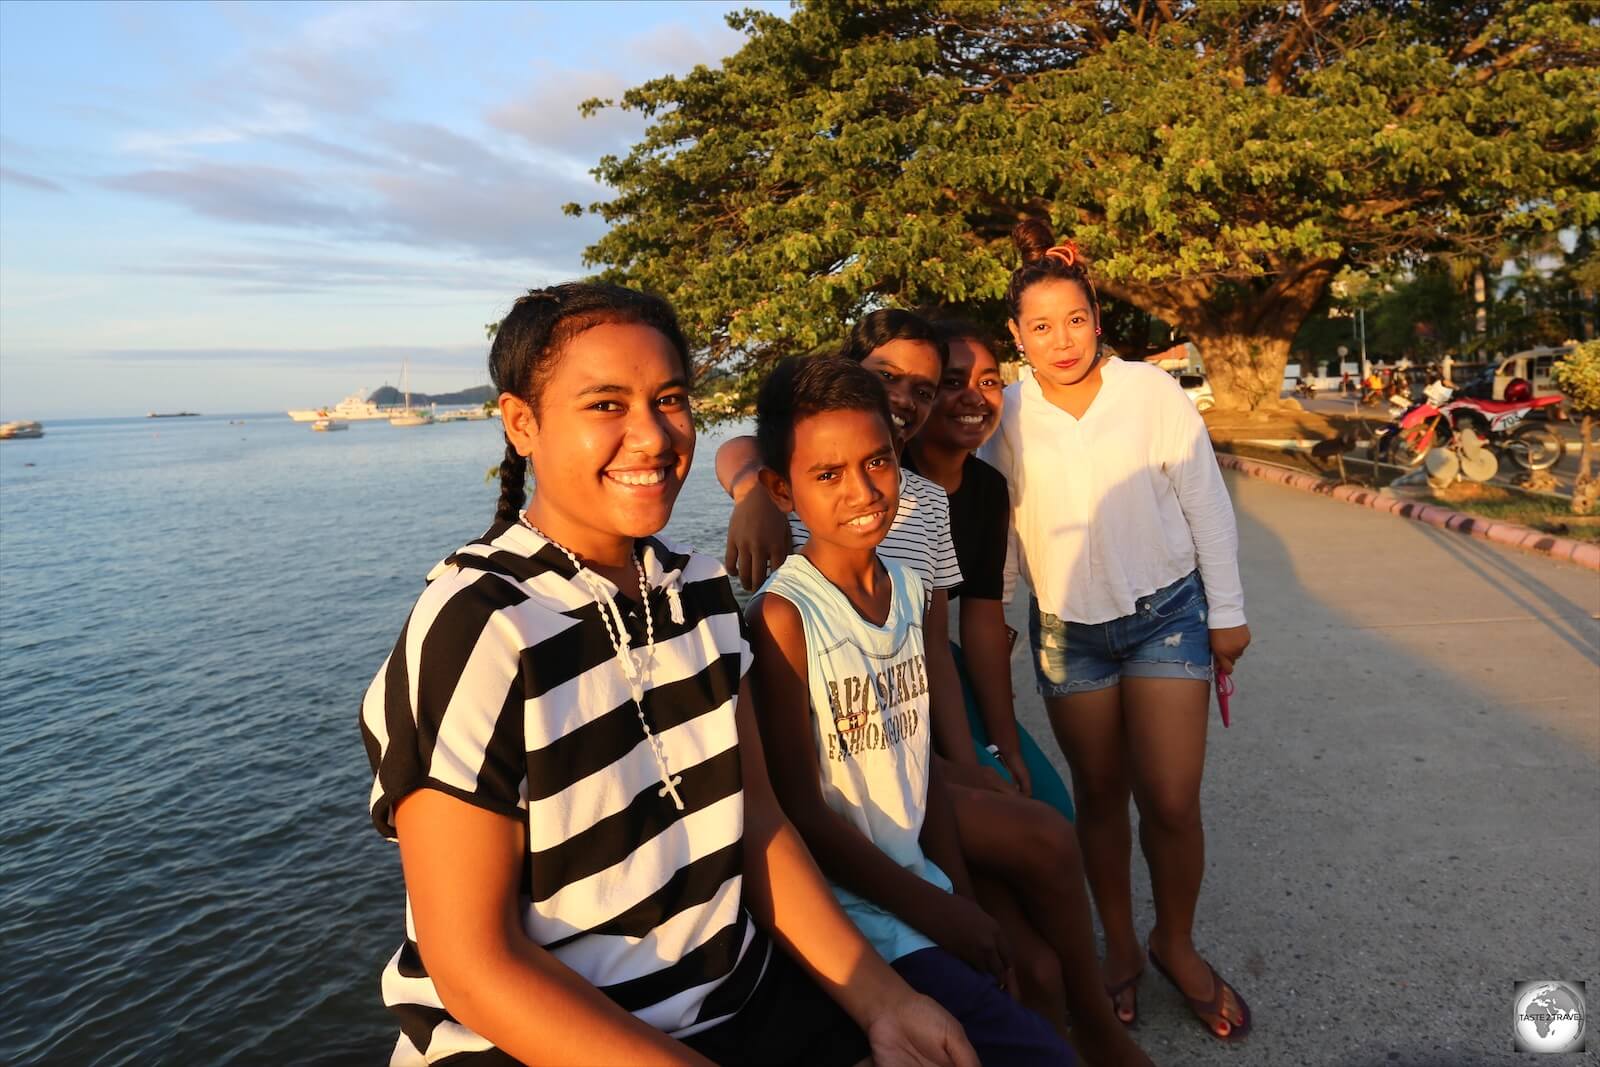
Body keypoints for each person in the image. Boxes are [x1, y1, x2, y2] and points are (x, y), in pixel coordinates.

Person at [360, 282, 977, 1067]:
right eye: (606, 404)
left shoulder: (703, 595)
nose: (651, 435)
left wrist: (883, 1001)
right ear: (522, 423)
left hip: (742, 1001)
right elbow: (476, 965)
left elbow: (759, 827)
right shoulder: (479, 626)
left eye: (670, 398)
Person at [720, 323, 1155, 1066]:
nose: (862, 490)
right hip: (862, 911)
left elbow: (917, 766)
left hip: (917, 871)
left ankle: (1080, 1014)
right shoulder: (783, 618)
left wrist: (959, 890)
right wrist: (936, 907)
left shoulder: (912, 587)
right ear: (784, 490)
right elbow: (799, 808)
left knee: (1028, 968)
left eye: (878, 462)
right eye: (829, 476)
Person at [981, 220, 1252, 1042]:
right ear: (1015, 337)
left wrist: (1228, 611)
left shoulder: (1149, 392)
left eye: (1074, 319)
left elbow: (1205, 498)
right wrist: (995, 626)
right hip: (1069, 631)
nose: (1061, 340)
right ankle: (1122, 949)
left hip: (1168, 614)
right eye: (1040, 326)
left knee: (1169, 798)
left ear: (1096, 316)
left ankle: (1176, 941)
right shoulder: (1008, 415)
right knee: (1099, 797)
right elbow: (1000, 529)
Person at [899, 319, 1074, 820]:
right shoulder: (880, 474)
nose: (973, 397)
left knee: (1050, 804)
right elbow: (771, 451)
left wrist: (1005, 743)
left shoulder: (988, 490)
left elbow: (982, 619)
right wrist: (750, 489)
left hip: (941, 666)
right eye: (951, 383)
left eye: (989, 382)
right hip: (879, 687)